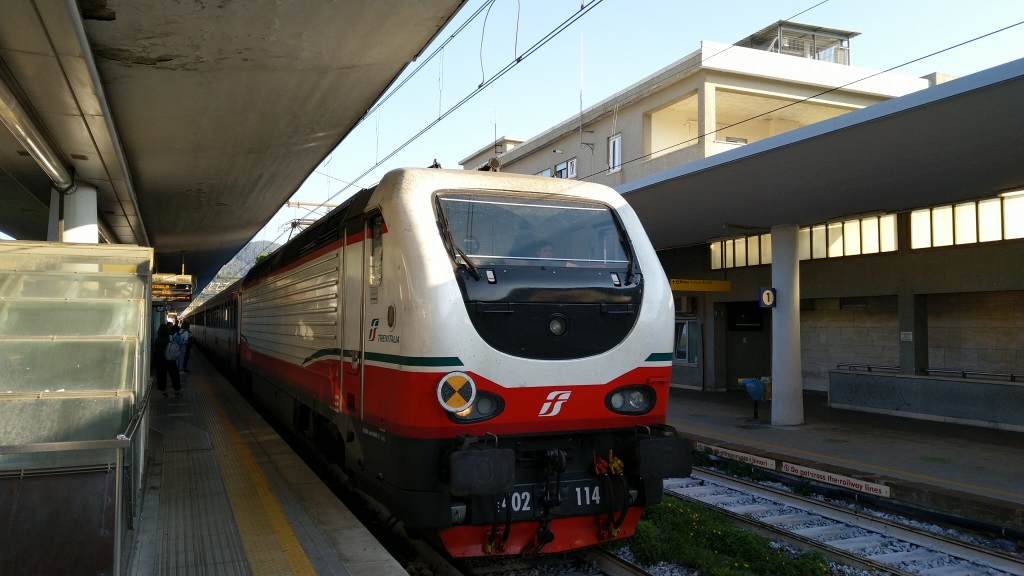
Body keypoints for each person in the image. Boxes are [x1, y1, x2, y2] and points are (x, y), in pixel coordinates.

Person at [153, 323, 181, 397]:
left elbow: (155, 351)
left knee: (161, 376)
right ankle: (177, 391)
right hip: (170, 359)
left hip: (160, 360)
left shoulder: (157, 339)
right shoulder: (169, 338)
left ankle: (164, 392)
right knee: (174, 375)